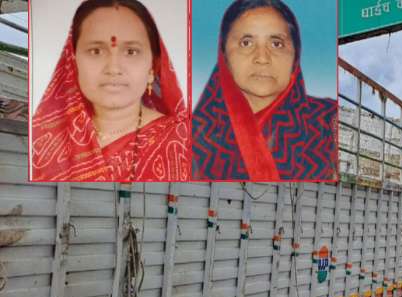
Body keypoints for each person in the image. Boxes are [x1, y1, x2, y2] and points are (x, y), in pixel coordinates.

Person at [31, 0, 189, 181]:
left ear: (152, 67)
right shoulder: (44, 140)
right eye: (96, 51)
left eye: (131, 52)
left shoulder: (185, 142)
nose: (113, 68)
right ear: (73, 63)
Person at [192, 0, 337, 181]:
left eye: (276, 44)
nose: (262, 58)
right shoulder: (191, 136)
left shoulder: (329, 122)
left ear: (295, 56)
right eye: (246, 43)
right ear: (224, 55)